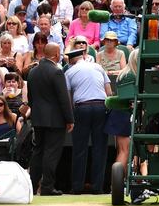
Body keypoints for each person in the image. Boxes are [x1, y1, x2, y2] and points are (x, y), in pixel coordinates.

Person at [27, 43, 74, 196]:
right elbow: (63, 98)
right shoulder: (56, 72)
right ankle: (47, 187)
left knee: (38, 151)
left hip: (38, 118)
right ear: (55, 54)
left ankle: (31, 186)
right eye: (59, 52)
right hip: (55, 120)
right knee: (51, 153)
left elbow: (30, 98)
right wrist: (70, 119)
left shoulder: (32, 72)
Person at [65, 47, 111, 194]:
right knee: (100, 148)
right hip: (100, 107)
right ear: (84, 56)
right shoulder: (98, 67)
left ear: (72, 60)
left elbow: (68, 98)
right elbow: (109, 92)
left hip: (82, 108)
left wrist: (71, 115)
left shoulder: (69, 71)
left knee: (79, 149)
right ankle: (98, 187)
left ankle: (77, 187)